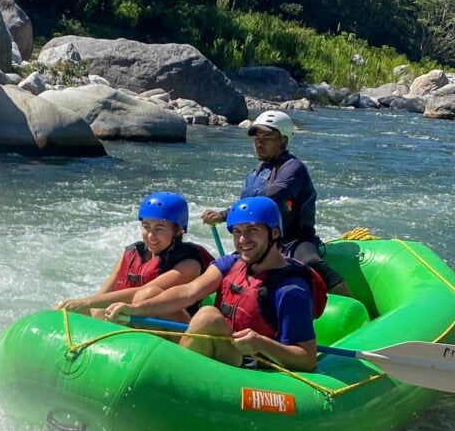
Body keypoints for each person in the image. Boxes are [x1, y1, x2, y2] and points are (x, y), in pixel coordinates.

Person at [105, 197, 323, 372]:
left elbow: (306, 360)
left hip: (251, 368)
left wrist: (262, 344)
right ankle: (133, 368)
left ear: (274, 233)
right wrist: (133, 309)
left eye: (252, 231)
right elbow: (188, 291)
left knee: (208, 315)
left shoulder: (291, 290)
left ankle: (164, 378)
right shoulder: (232, 262)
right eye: (237, 232)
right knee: (146, 298)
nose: (242, 240)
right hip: (221, 347)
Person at [200, 109, 350, 296]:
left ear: (284, 140)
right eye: (256, 138)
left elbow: (270, 199)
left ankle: (353, 303)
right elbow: (243, 211)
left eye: (267, 138)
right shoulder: (254, 174)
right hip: (262, 241)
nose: (259, 143)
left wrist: (222, 215)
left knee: (311, 262)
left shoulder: (293, 168)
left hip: (295, 240)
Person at [57, 191, 213, 321]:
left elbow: (140, 294)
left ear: (178, 231)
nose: (151, 235)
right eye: (146, 227)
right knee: (95, 309)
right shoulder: (132, 254)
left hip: (177, 329)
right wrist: (80, 306)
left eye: (159, 229)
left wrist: (85, 302)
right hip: (133, 317)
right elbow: (104, 295)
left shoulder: (189, 264)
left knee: (147, 294)